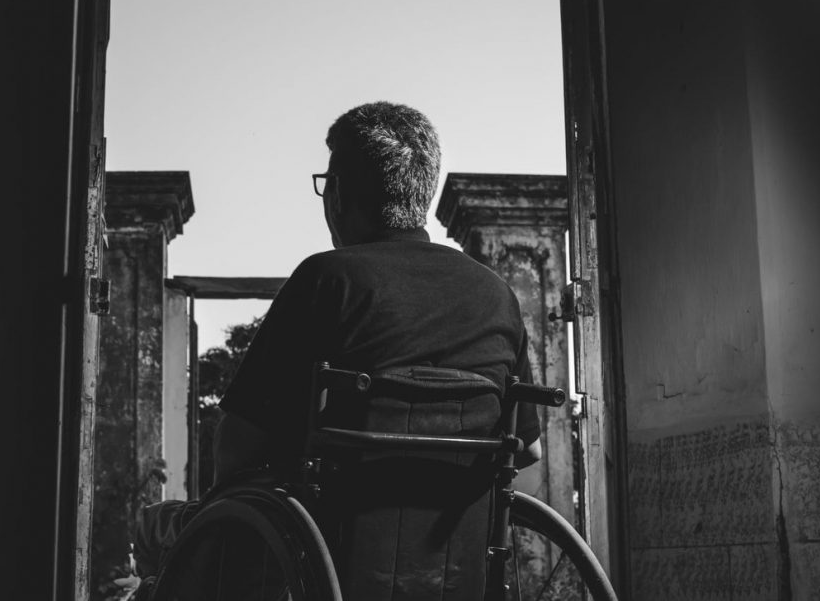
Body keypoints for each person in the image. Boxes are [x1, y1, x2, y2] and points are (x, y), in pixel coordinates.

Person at [133, 102, 541, 599]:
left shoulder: (327, 280)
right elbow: (527, 449)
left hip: (322, 550)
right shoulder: (496, 295)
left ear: (340, 193)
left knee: (154, 525)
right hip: (452, 560)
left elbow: (235, 449)